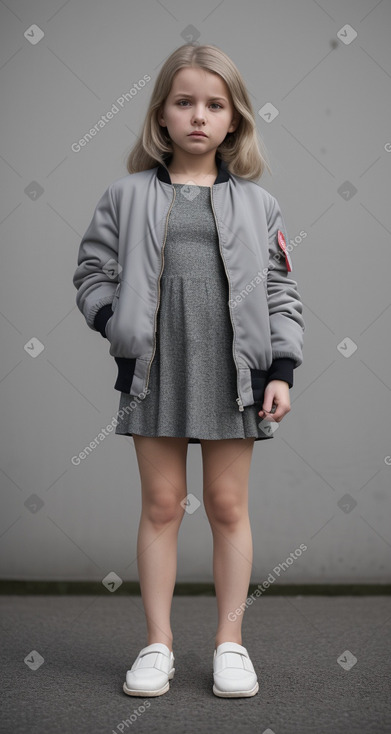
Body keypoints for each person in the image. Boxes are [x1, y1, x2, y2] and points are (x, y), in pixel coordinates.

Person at [73, 43, 305, 699]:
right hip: (156, 370)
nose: (198, 116)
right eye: (184, 103)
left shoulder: (259, 205)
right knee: (162, 506)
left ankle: (230, 643)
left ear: (233, 119)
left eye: (213, 104)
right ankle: (157, 644)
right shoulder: (124, 195)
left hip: (235, 373)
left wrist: (280, 368)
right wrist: (118, 327)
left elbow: (282, 293)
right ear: (161, 116)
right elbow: (92, 275)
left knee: (229, 508)